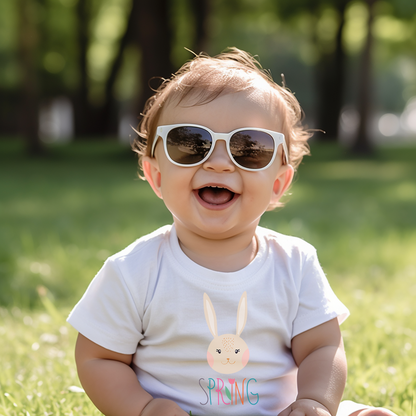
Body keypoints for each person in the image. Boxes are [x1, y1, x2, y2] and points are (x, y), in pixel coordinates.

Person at [67, 48, 397, 416]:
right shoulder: (134, 271)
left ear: (278, 183)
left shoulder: (295, 263)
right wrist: (144, 408)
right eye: (191, 144)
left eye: (250, 148)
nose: (220, 163)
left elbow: (322, 348)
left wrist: (314, 401)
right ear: (156, 175)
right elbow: (99, 357)